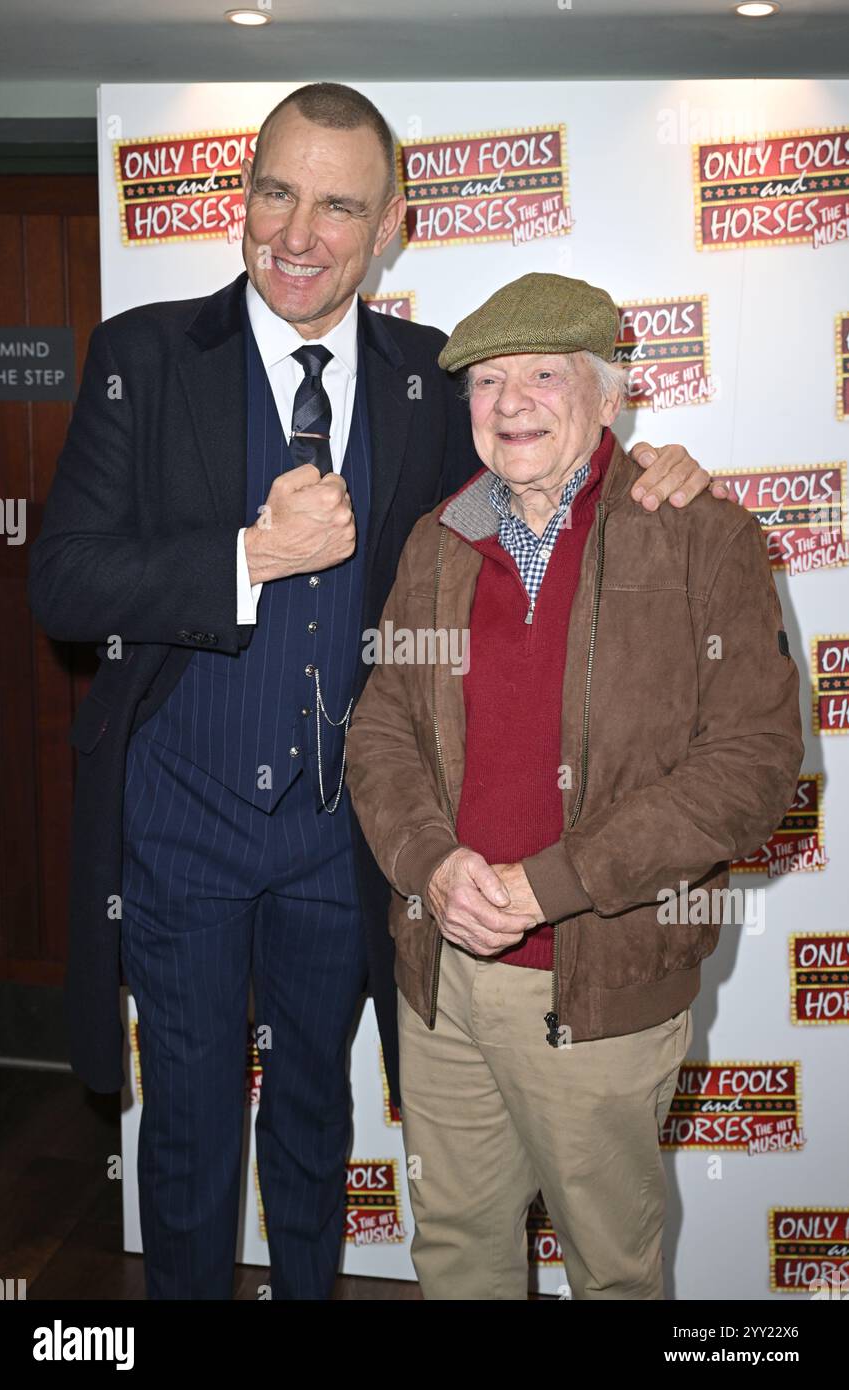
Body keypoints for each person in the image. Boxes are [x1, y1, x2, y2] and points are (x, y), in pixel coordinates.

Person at [29, 84, 719, 1300]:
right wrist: (244, 556)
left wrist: (651, 470)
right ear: (241, 191)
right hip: (179, 821)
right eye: (275, 191)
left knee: (312, 1112)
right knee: (185, 1123)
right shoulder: (140, 355)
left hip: (347, 835)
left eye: (338, 204)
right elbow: (65, 585)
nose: (298, 232)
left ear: (390, 221)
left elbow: (544, 481)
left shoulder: (434, 379)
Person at [345, 270, 804, 1300]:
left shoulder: (698, 536)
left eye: (543, 375)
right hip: (439, 978)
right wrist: (433, 862)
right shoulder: (436, 540)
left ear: (607, 393)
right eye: (486, 380)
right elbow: (378, 728)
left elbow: (747, 767)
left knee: (611, 1272)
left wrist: (547, 882)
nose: (510, 402)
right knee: (456, 1250)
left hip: (598, 992)